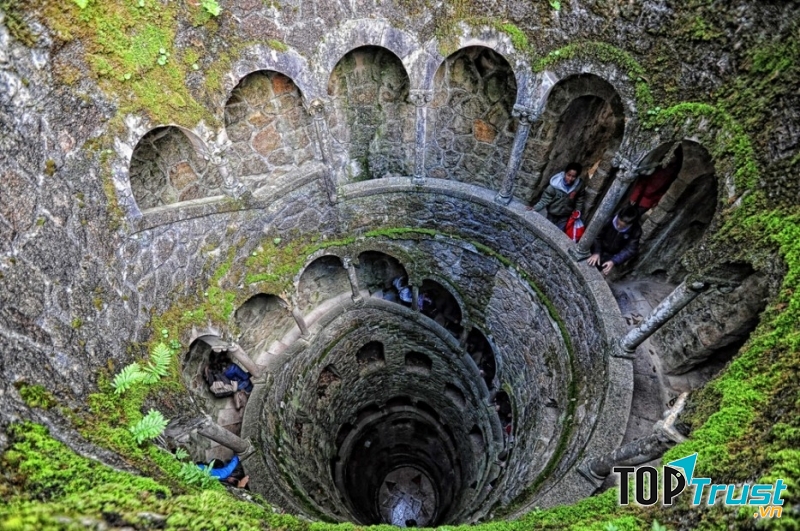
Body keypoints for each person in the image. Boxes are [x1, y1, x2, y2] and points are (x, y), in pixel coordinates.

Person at [527, 162, 585, 230]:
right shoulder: (554, 185)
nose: (570, 178)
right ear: (565, 173)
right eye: (568, 175)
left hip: (566, 214)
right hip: (552, 213)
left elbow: (580, 199)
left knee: (559, 231)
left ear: (577, 177)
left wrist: (578, 210)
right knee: (547, 229)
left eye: (573, 177)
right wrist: (535, 208)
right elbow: (545, 199)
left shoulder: (579, 186)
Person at [628, 144, 683, 216]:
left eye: (673, 156)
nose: (671, 157)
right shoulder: (660, 164)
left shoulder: (673, 171)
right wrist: (635, 196)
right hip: (640, 194)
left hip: (648, 200)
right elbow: (643, 180)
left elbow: (665, 188)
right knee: (625, 212)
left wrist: (656, 201)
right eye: (670, 155)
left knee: (635, 216)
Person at [587, 205, 642, 276]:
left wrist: (614, 261)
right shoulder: (608, 219)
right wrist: (596, 252)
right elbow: (596, 236)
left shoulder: (636, 231)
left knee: (597, 273)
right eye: (618, 223)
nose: (618, 227)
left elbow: (630, 249)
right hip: (596, 248)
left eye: (623, 226)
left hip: (612, 255)